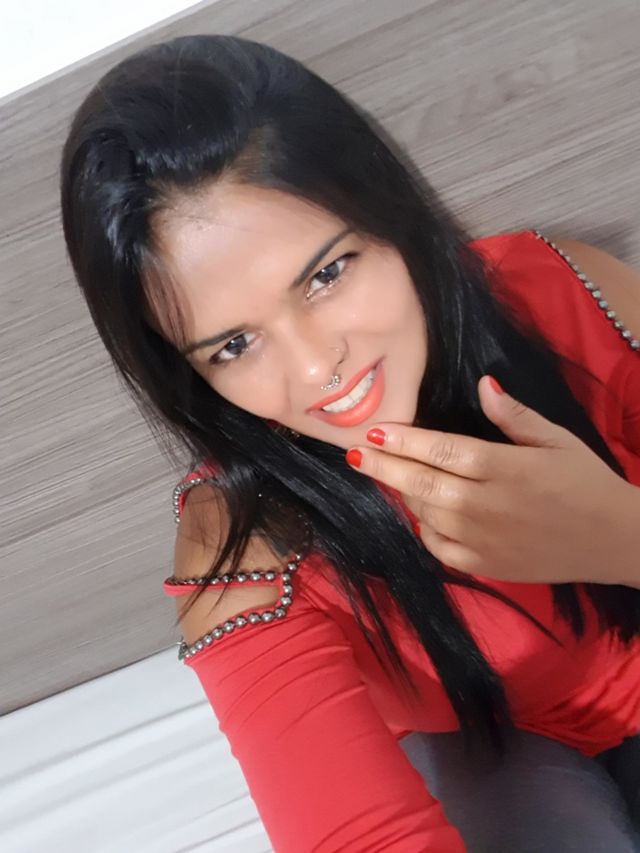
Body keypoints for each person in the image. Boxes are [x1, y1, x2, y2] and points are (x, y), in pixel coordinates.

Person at [59, 33, 640, 852]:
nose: (314, 367)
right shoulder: (244, 544)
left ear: (389, 212)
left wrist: (619, 534)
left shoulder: (563, 293)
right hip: (509, 762)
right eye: (234, 345)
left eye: (326, 274)